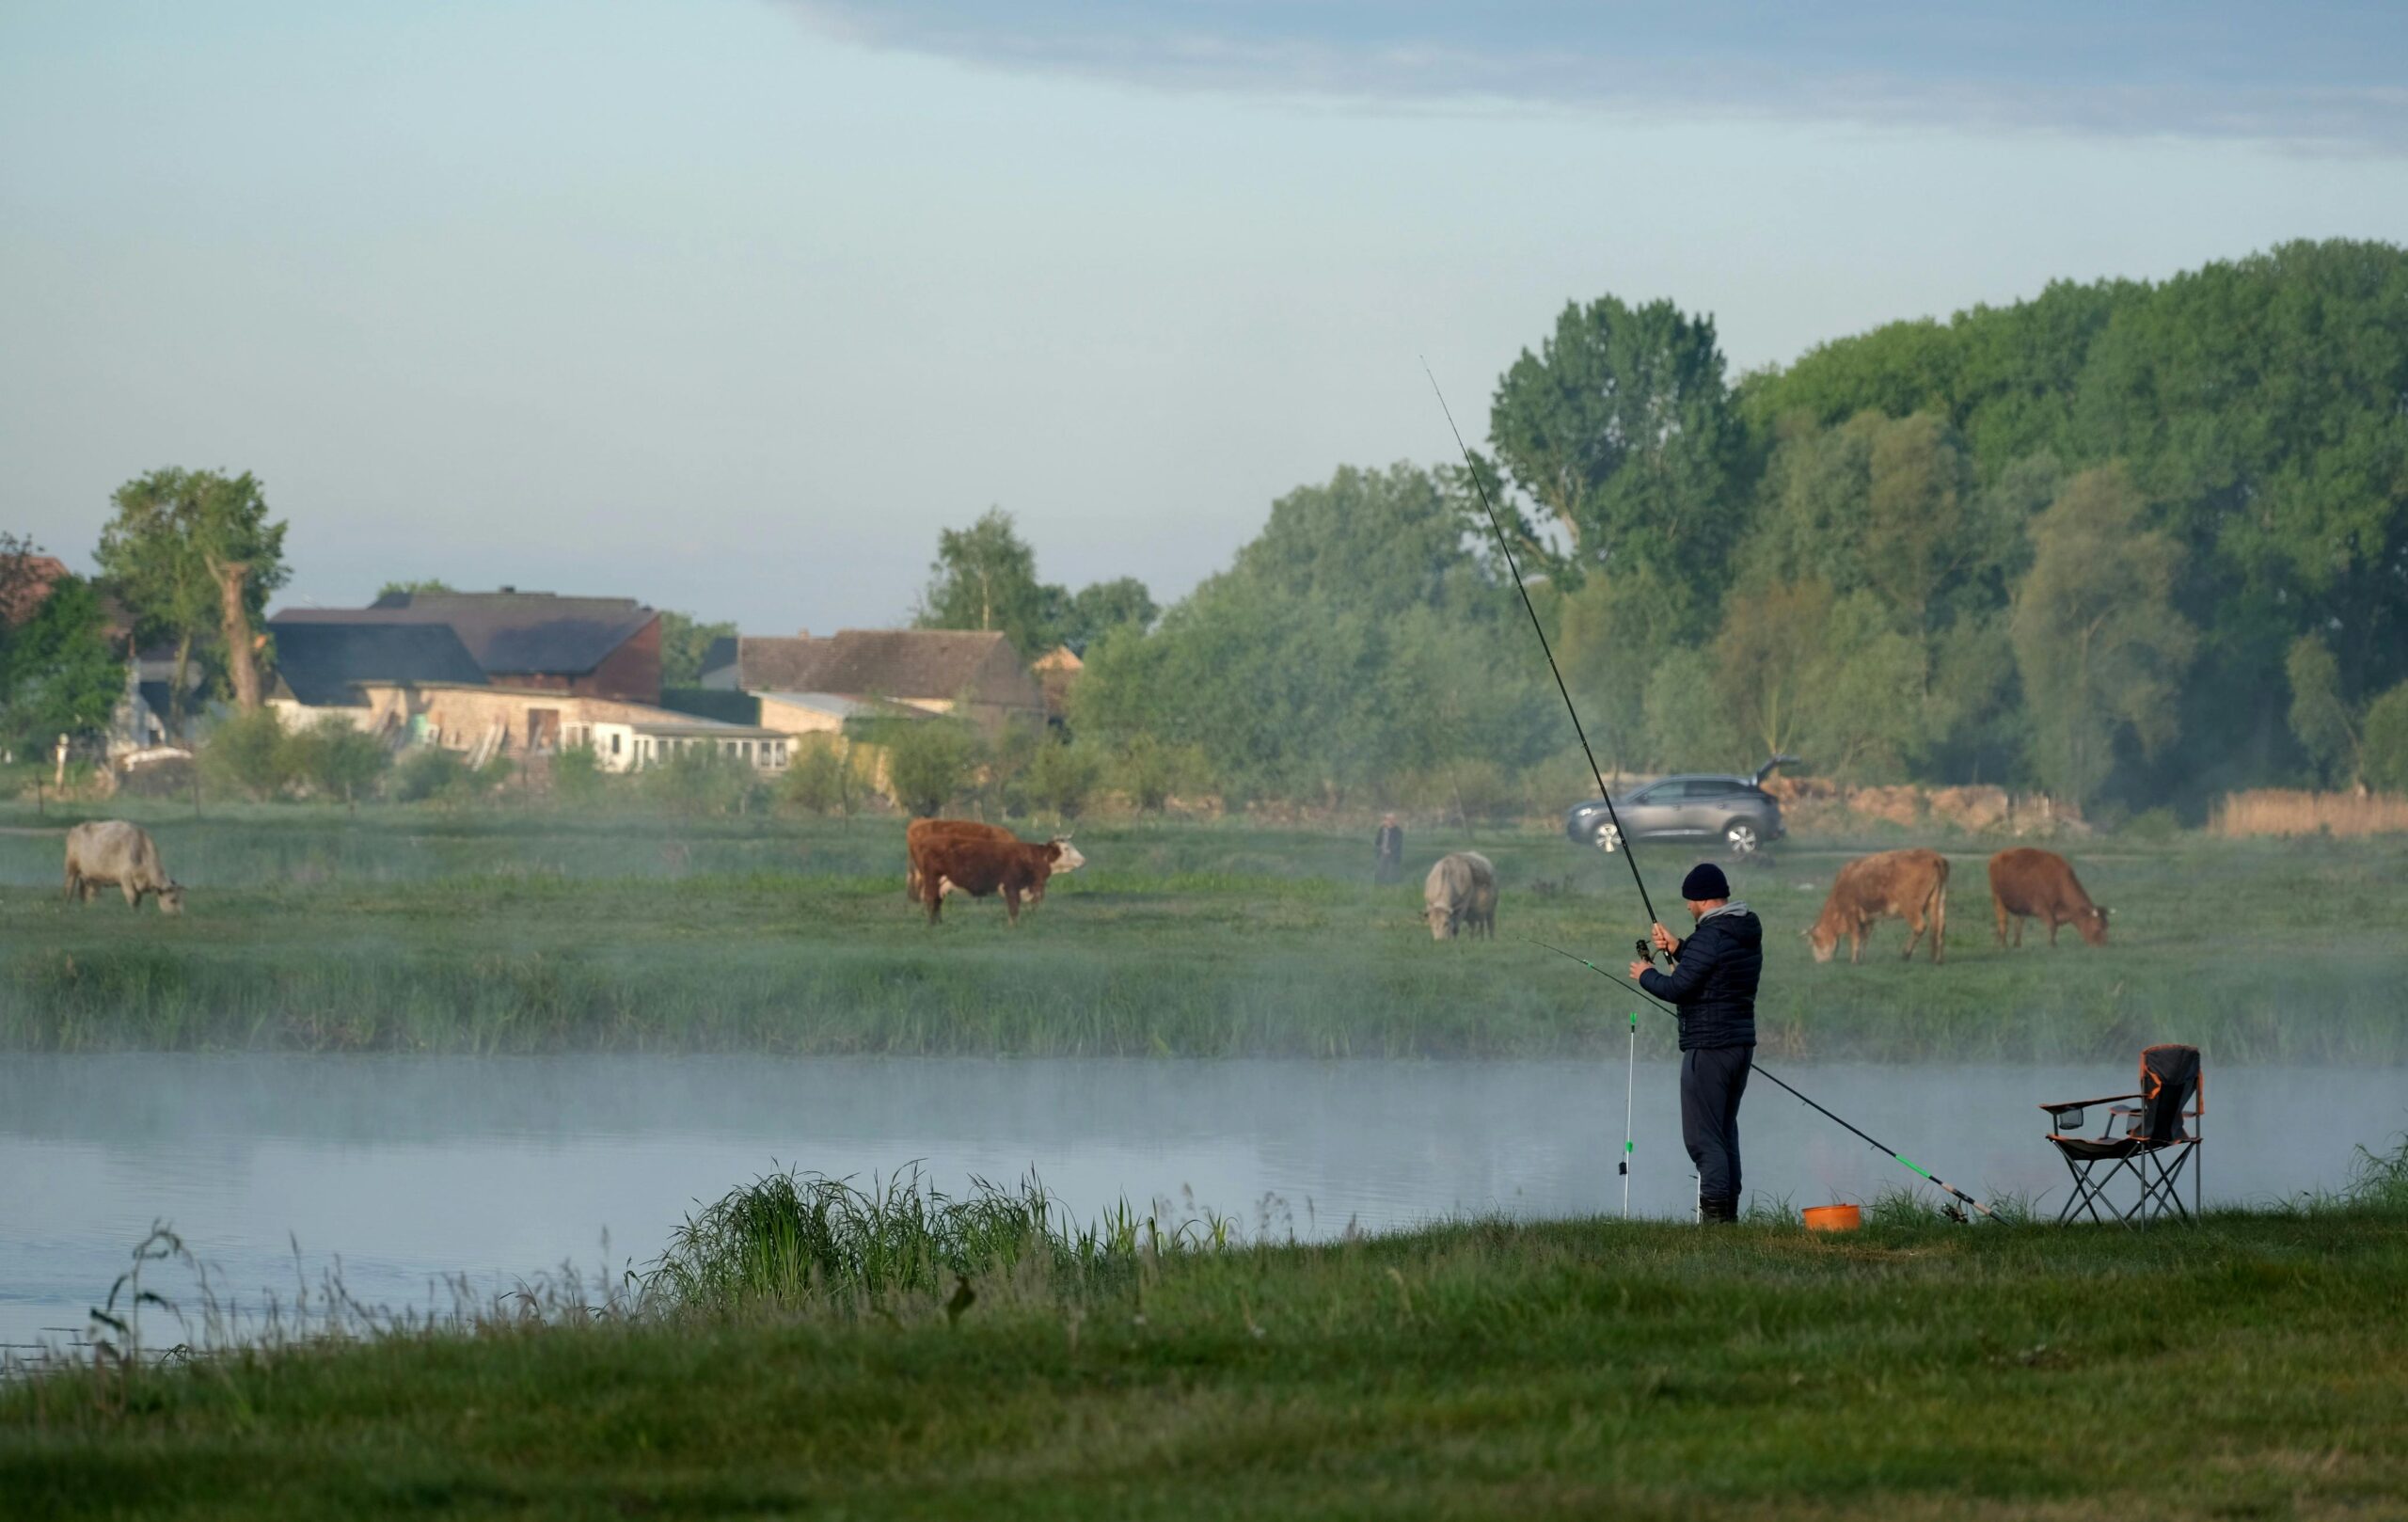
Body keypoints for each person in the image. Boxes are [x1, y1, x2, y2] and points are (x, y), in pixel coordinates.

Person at [1627, 862, 1761, 1224]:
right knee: (1723, 1130)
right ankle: (1728, 1216)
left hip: (1709, 1047)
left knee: (1704, 1138)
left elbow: (1678, 988)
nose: (1688, 907)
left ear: (1703, 900)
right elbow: (1712, 971)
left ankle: (1716, 1221)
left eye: (1690, 901)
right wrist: (1680, 947)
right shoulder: (1744, 929)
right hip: (1738, 1046)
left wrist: (1646, 975)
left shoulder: (1712, 935)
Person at [1373, 812, 1404, 884]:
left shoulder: (1398, 831)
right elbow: (1377, 841)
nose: (1389, 821)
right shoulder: (1382, 829)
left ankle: (1391, 888)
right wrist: (1380, 848)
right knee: (1380, 873)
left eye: (1392, 819)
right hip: (1382, 855)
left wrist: (1389, 850)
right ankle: (1379, 887)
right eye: (1387, 819)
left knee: (1391, 875)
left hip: (1393, 857)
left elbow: (1397, 844)